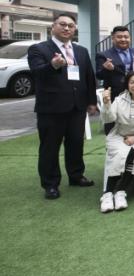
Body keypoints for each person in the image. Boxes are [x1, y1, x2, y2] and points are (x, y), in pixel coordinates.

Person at [28, 13, 97, 200]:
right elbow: (37, 73)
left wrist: (91, 101)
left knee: (76, 143)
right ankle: (50, 184)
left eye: (71, 26)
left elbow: (89, 77)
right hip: (51, 109)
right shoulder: (38, 49)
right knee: (50, 147)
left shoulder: (81, 51)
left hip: (77, 107)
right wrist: (53, 65)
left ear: (75, 29)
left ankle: (76, 175)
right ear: (53, 26)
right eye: (63, 24)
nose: (67, 28)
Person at [99, 71, 134, 212]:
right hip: (119, 135)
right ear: (127, 85)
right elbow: (108, 119)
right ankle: (107, 194)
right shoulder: (119, 100)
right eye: (132, 82)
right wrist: (106, 103)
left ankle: (121, 191)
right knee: (119, 153)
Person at [96, 26, 134, 134]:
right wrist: (106, 69)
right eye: (119, 37)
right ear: (113, 38)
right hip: (114, 96)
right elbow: (99, 75)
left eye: (126, 37)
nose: (123, 39)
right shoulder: (103, 55)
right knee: (113, 127)